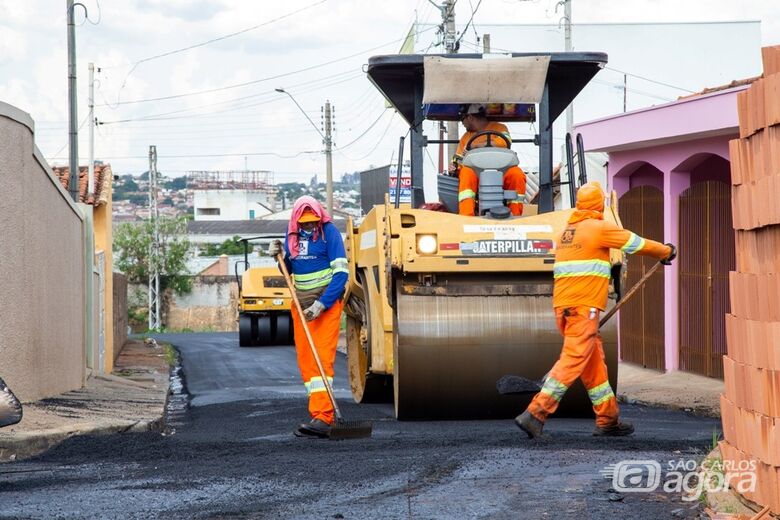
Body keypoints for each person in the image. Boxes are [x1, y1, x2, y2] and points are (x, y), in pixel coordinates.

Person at [515, 181, 676, 439]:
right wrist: (666, 251)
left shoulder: (567, 233)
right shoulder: (599, 228)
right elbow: (635, 243)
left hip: (564, 308)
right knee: (573, 360)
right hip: (584, 309)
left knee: (593, 365)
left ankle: (608, 419)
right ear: (600, 204)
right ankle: (536, 413)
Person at [268, 196, 348, 438]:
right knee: (307, 361)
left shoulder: (330, 233)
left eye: (313, 222)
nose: (309, 227)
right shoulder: (292, 236)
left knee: (321, 358)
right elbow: (288, 271)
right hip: (301, 306)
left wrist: (321, 304)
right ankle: (319, 413)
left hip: (326, 304)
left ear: (319, 218)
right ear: (296, 222)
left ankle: (325, 416)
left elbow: (342, 273)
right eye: (304, 224)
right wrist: (278, 257)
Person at [450, 104, 527, 216]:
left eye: (462, 119)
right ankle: (466, 216)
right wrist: (454, 167)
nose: (462, 124)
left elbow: (505, 142)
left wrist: (477, 146)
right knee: (466, 173)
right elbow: (459, 159)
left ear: (470, 117)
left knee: (516, 174)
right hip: (476, 175)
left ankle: (515, 214)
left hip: (502, 171)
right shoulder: (466, 137)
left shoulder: (500, 128)